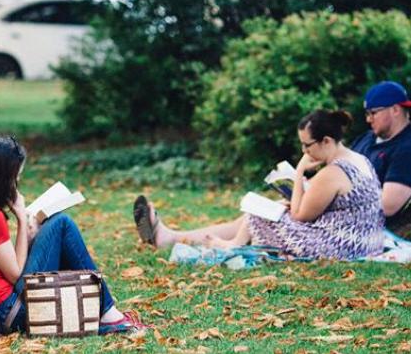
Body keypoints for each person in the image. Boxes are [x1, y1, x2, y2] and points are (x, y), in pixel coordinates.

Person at [135, 110, 385, 259]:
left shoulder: (333, 172)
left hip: (341, 245)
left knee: (259, 213)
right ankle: (172, 237)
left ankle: (231, 246)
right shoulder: (357, 159)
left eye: (307, 145)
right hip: (365, 239)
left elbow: (300, 216)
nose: (304, 151)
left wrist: (298, 173)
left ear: (326, 141)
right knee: (271, 208)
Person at [0, 136, 136, 334]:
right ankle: (106, 309)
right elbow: (14, 275)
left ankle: (98, 305)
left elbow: (1, 265)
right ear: (2, 178)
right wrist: (22, 220)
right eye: (15, 176)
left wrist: (28, 236)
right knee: (62, 224)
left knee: (57, 229)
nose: (17, 182)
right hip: (6, 314)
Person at [350, 81, 411, 237]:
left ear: (395, 109)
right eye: (367, 114)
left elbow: (388, 205)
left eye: (373, 113)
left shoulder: (407, 147)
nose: (368, 120)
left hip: (378, 232)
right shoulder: (366, 138)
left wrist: (335, 196)